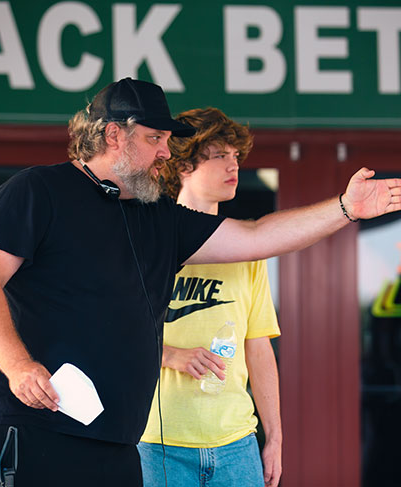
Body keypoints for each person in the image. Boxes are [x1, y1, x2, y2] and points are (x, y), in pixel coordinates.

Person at [0, 77, 401, 486]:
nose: (165, 150)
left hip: (114, 436)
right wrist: (18, 366)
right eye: (155, 137)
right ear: (113, 135)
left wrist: (345, 207)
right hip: (29, 419)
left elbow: (257, 235)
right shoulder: (36, 191)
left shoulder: (157, 216)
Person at [137, 107, 282, 487]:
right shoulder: (147, 241)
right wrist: (171, 355)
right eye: (220, 156)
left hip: (236, 443)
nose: (233, 166)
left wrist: (275, 438)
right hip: (156, 442)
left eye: (236, 156)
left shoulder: (247, 249)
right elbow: (109, 332)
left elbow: (259, 347)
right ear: (183, 165)